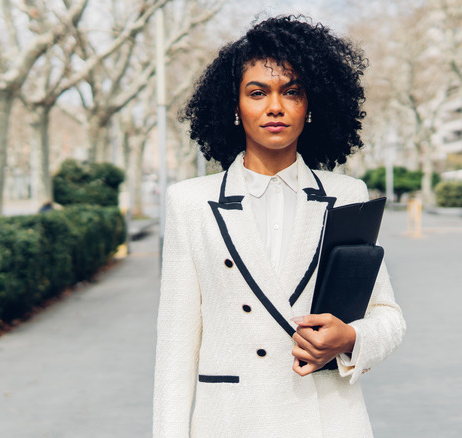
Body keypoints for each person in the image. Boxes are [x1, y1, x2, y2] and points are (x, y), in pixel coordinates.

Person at [152, 15, 406, 438]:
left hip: (326, 420)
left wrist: (349, 338)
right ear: (234, 106)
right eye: (257, 92)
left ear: (312, 105)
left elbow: (388, 317)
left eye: (292, 92)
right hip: (230, 421)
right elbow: (175, 347)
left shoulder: (347, 194)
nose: (275, 106)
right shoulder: (190, 202)